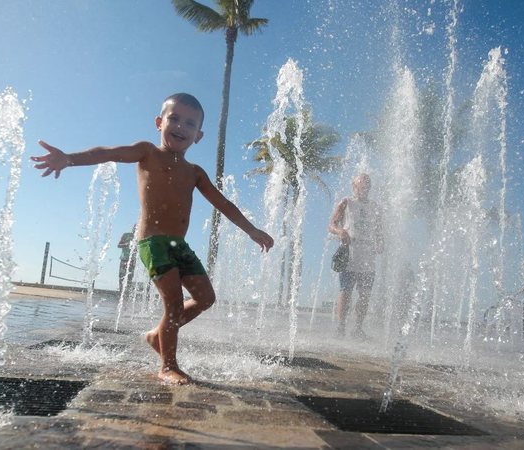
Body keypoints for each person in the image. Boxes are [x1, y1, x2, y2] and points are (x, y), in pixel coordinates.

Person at [31, 93, 274, 384]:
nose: (181, 126)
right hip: (153, 243)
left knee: (206, 298)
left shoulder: (195, 172)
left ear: (198, 135)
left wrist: (251, 230)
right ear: (159, 122)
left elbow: (223, 204)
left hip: (179, 246)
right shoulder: (147, 153)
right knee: (172, 305)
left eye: (190, 123)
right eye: (174, 118)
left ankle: (157, 335)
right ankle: (168, 365)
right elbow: (106, 152)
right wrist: (68, 158)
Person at [328, 173, 383, 339]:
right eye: (360, 186)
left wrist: (380, 244)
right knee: (346, 290)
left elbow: (380, 232)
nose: (363, 189)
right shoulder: (346, 203)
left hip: (368, 256)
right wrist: (340, 231)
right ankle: (341, 327)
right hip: (350, 252)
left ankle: (358, 328)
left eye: (366, 186)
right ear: (354, 187)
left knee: (365, 294)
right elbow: (331, 225)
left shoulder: (376, 208)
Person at [117, 225, 137, 296]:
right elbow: (118, 245)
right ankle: (121, 293)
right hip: (124, 259)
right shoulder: (126, 235)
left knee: (130, 278)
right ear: (133, 228)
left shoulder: (139, 238)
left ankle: (127, 294)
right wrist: (127, 244)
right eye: (135, 228)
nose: (136, 229)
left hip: (132, 261)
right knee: (121, 276)